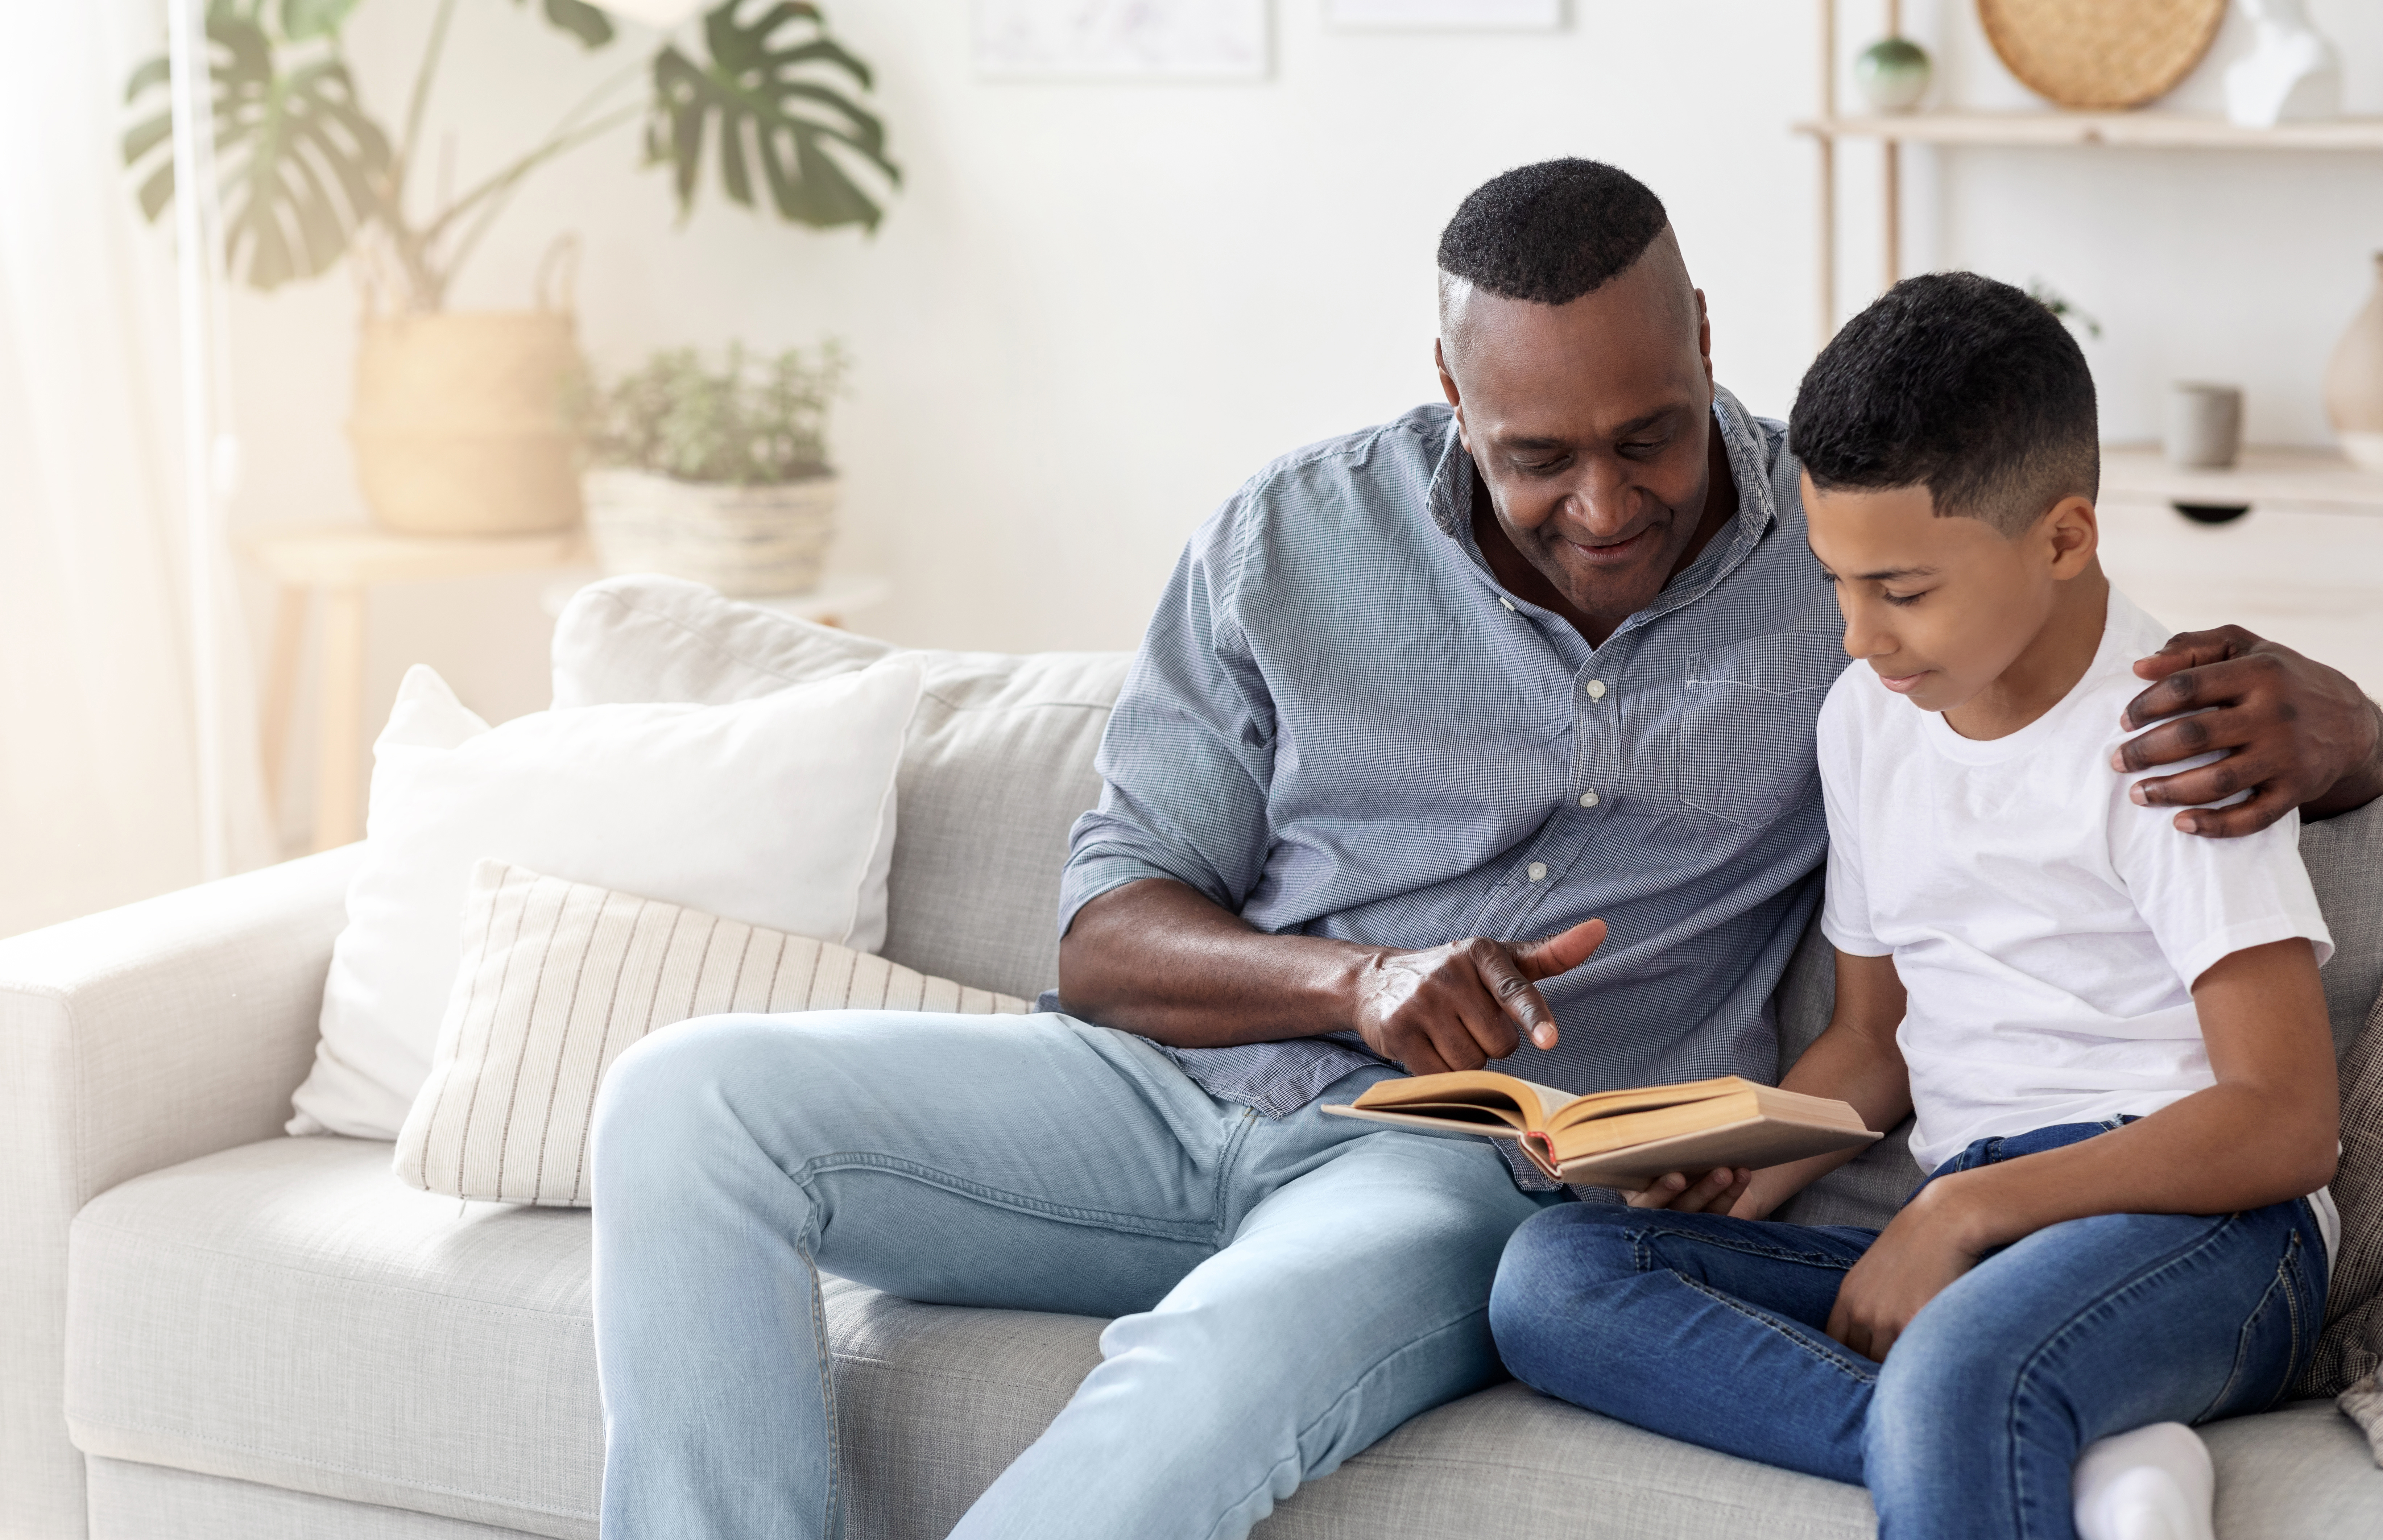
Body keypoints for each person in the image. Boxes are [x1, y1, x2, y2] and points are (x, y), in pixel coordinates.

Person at [587, 160, 2382, 1540]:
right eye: (1537, 456)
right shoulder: (1290, 545)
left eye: (1650, 438)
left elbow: (2073, 697)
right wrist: (1354, 985)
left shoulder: (1846, 569)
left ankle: (2001, 1430)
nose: (1605, 505)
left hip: (1444, 1180)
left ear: (1704, 338)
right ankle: (2016, 1441)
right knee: (684, 1102)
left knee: (1228, 1369)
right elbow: (1100, 931)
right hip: (1165, 1101)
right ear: (1444, 387)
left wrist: (2363, 735)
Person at [1486, 272, 2340, 1540]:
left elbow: (2284, 1124)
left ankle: (1993, 1409)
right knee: (1556, 1279)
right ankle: (2042, 1431)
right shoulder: (1869, 723)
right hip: (1987, 1238)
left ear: (2063, 538)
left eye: (1903, 589)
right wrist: (1754, 1154)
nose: (1860, 637)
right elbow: (1875, 1045)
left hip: (2205, 1229)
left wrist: (1959, 1209)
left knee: (1958, 1372)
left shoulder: (2173, 737)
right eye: (1838, 582)